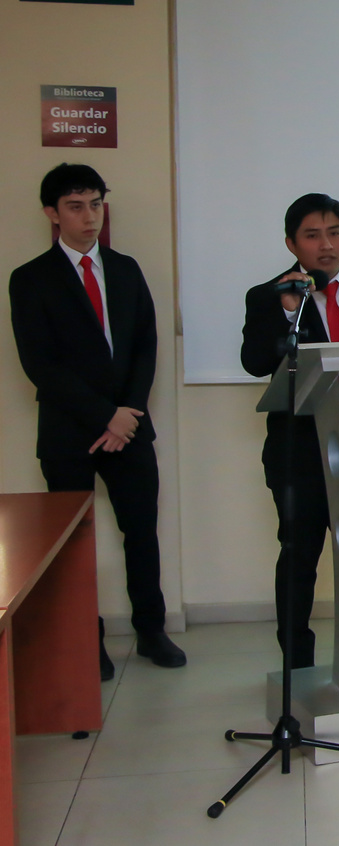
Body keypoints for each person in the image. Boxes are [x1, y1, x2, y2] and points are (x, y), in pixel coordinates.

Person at [9, 163, 186, 680]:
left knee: (141, 531)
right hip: (69, 432)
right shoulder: (30, 278)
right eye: (75, 207)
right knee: (74, 544)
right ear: (52, 213)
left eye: (95, 204)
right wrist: (105, 415)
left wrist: (126, 414)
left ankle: (151, 630)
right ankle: (86, 639)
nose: (90, 217)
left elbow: (146, 344)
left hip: (129, 427)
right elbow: (40, 364)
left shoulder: (126, 269)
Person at [241, 193, 339, 667]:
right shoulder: (269, 295)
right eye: (312, 235)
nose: (326, 245)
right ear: (292, 243)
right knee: (300, 558)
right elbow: (254, 362)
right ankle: (298, 666)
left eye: (335, 233)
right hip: (299, 454)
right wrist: (289, 312)